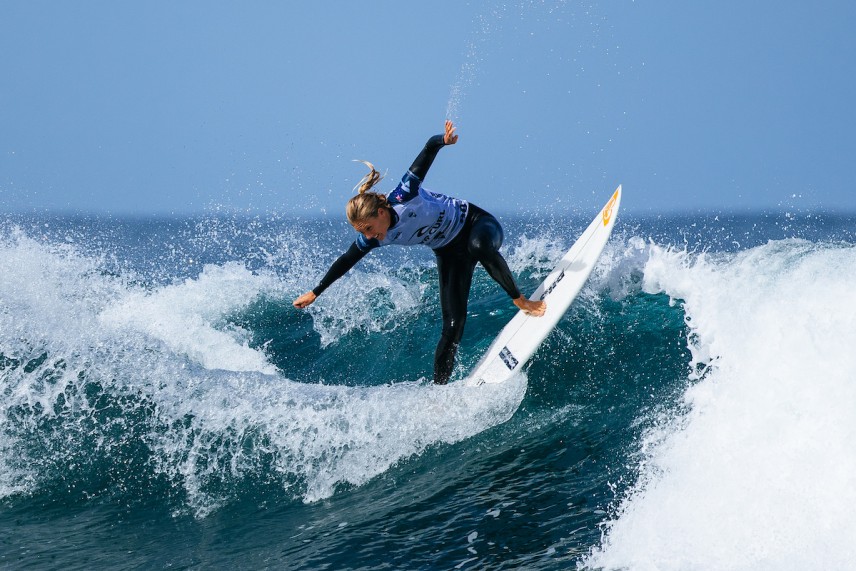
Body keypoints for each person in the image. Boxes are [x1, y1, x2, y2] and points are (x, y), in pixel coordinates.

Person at [293, 120, 545, 384]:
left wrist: (444, 140)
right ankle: (439, 391)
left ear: (381, 212)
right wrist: (315, 291)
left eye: (368, 228)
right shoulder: (376, 238)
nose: (367, 236)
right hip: (448, 252)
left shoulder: (404, 194)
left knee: (479, 247)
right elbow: (346, 260)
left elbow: (428, 149)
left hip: (476, 224)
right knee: (452, 326)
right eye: (362, 232)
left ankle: (519, 299)